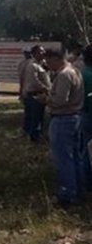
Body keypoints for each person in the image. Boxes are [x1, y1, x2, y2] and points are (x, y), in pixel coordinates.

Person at [42, 48, 84, 206]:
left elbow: (61, 100)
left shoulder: (64, 74)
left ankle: (68, 195)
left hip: (63, 119)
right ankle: (78, 190)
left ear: (55, 59)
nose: (48, 66)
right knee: (75, 158)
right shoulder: (74, 71)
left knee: (63, 159)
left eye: (49, 62)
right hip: (75, 118)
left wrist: (46, 99)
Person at [23, 45, 51, 143]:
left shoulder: (42, 64)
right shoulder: (32, 65)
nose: (43, 53)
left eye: (43, 51)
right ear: (34, 54)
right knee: (35, 116)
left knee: (40, 116)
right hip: (35, 94)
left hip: (42, 94)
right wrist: (47, 89)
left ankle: (38, 135)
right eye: (40, 52)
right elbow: (34, 81)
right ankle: (34, 137)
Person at [81, 45, 92, 190]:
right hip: (88, 114)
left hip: (84, 113)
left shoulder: (82, 73)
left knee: (84, 148)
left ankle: (87, 180)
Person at [17, 47, 33, 135]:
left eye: (29, 52)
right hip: (26, 88)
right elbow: (21, 78)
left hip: (31, 88)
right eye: (26, 53)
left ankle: (29, 129)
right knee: (28, 110)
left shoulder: (33, 63)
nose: (28, 54)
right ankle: (26, 129)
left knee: (31, 111)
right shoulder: (23, 63)